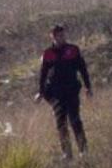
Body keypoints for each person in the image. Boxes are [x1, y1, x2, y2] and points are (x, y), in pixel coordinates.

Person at [35, 25, 92, 159]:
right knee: (61, 123)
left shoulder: (73, 50)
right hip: (56, 94)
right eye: (57, 36)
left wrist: (88, 87)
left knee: (75, 120)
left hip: (72, 91)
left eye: (62, 35)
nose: (60, 38)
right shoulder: (48, 53)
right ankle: (67, 153)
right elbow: (43, 75)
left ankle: (83, 150)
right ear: (52, 37)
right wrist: (40, 92)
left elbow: (82, 69)